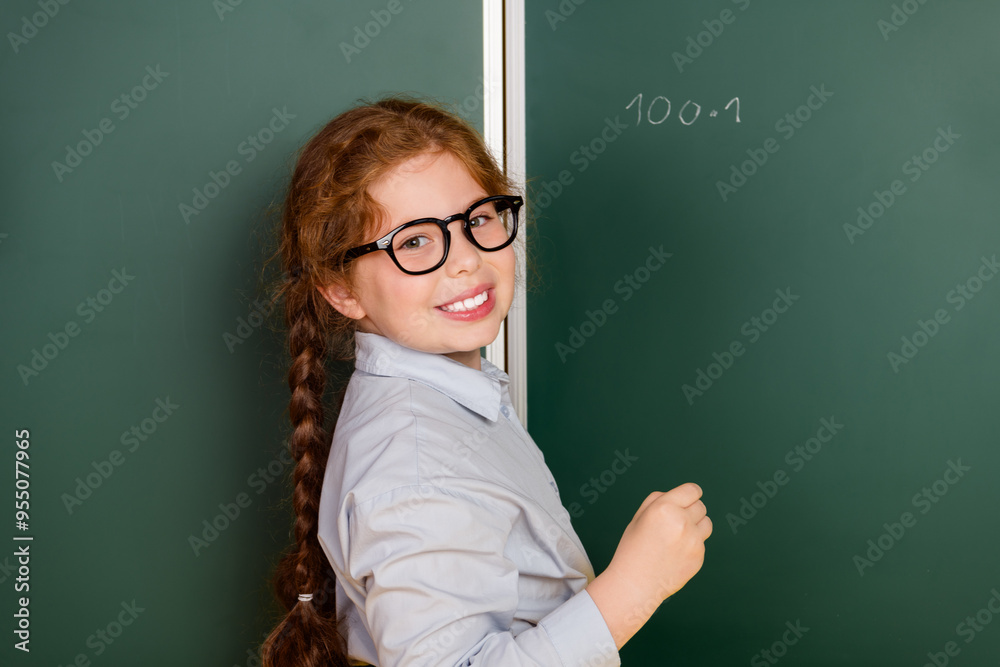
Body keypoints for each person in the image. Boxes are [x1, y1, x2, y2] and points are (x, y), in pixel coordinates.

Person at [259, 95, 713, 667]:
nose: (466, 260)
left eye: (476, 220)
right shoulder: (416, 471)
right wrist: (635, 586)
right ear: (342, 290)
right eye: (415, 241)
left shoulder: (452, 396)